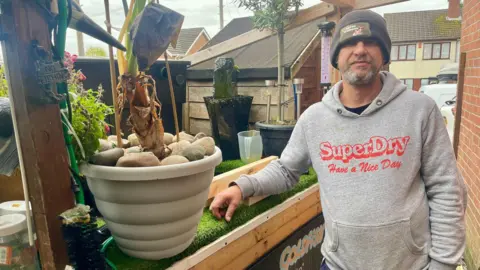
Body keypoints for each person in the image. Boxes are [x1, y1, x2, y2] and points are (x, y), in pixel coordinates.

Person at [209, 9, 468, 270]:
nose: (359, 50)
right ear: (336, 57)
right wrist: (242, 187)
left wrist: (443, 264)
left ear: (384, 53)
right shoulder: (314, 119)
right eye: (348, 44)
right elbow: (287, 170)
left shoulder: (420, 110)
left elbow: (446, 188)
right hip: (338, 265)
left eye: (370, 41)